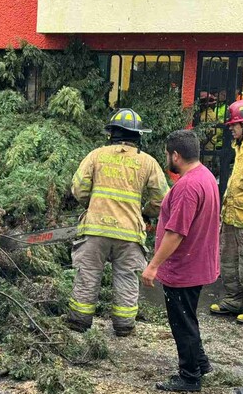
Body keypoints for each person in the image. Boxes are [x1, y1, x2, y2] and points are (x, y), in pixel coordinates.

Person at [68, 108, 169, 337]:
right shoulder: (148, 163)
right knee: (126, 277)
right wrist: (144, 213)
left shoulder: (96, 155)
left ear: (111, 133)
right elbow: (162, 199)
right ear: (138, 136)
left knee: (88, 274)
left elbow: (78, 188)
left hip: (95, 229)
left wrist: (91, 204)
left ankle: (79, 322)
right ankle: (124, 326)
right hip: (129, 232)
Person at [141, 130, 220, 392]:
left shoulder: (187, 186)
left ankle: (189, 377)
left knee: (182, 322)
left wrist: (153, 265)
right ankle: (201, 363)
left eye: (167, 154)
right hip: (198, 263)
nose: (167, 158)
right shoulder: (206, 176)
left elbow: (176, 232)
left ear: (176, 155)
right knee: (189, 317)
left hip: (184, 267)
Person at [209, 100, 243, 325]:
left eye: (235, 125)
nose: (231, 129)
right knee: (229, 260)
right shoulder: (240, 147)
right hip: (232, 216)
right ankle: (233, 300)